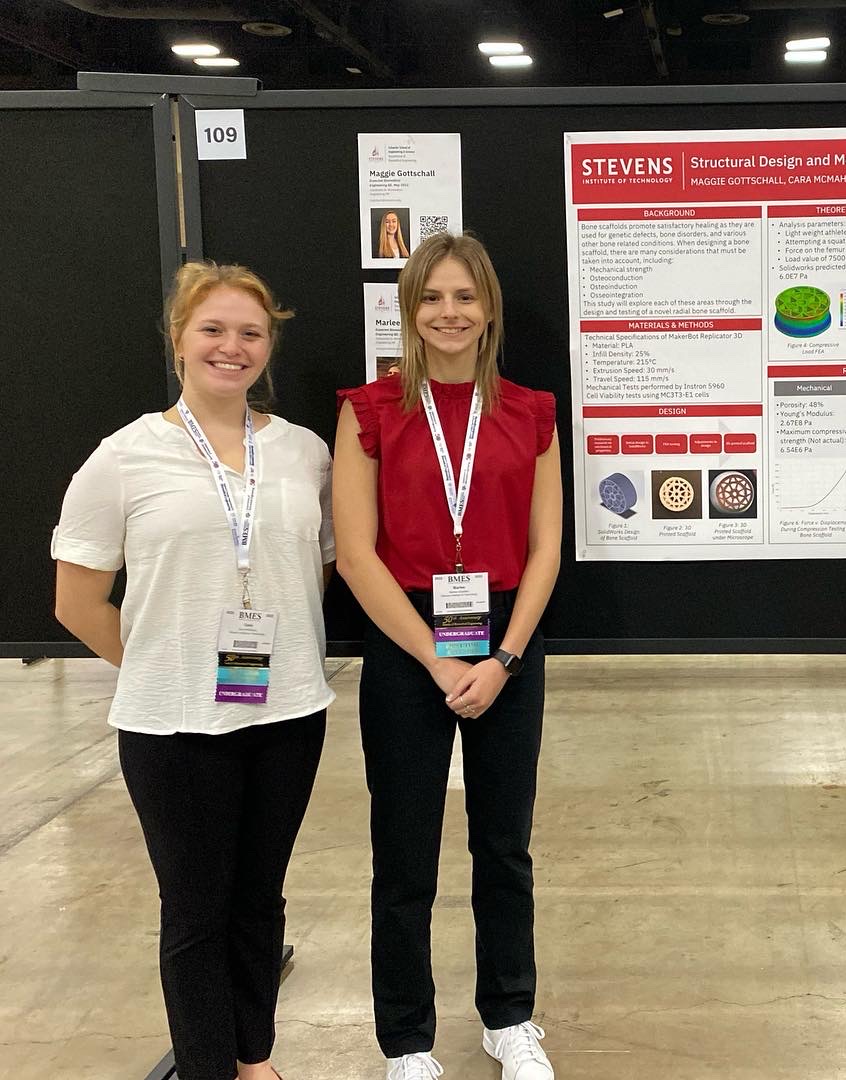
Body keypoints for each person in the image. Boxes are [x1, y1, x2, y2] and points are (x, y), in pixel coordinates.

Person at [52, 262, 336, 1080]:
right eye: (212, 329)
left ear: (269, 345)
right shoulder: (125, 456)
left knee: (260, 900)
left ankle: (254, 1059)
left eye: (250, 332)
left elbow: (313, 570)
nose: (230, 347)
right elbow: (77, 602)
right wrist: (163, 664)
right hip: (172, 726)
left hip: (286, 715)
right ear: (179, 338)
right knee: (195, 910)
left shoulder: (303, 453)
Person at [334, 231, 562, 1080]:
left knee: (504, 846)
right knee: (403, 853)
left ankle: (510, 1018)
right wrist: (434, 660)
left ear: (489, 307)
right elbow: (355, 554)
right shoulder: (369, 410)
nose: (449, 312)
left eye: (465, 296)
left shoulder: (531, 413)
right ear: (409, 309)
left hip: (504, 637)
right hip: (407, 637)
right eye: (431, 297)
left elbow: (546, 549)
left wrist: (504, 658)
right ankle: (407, 1041)